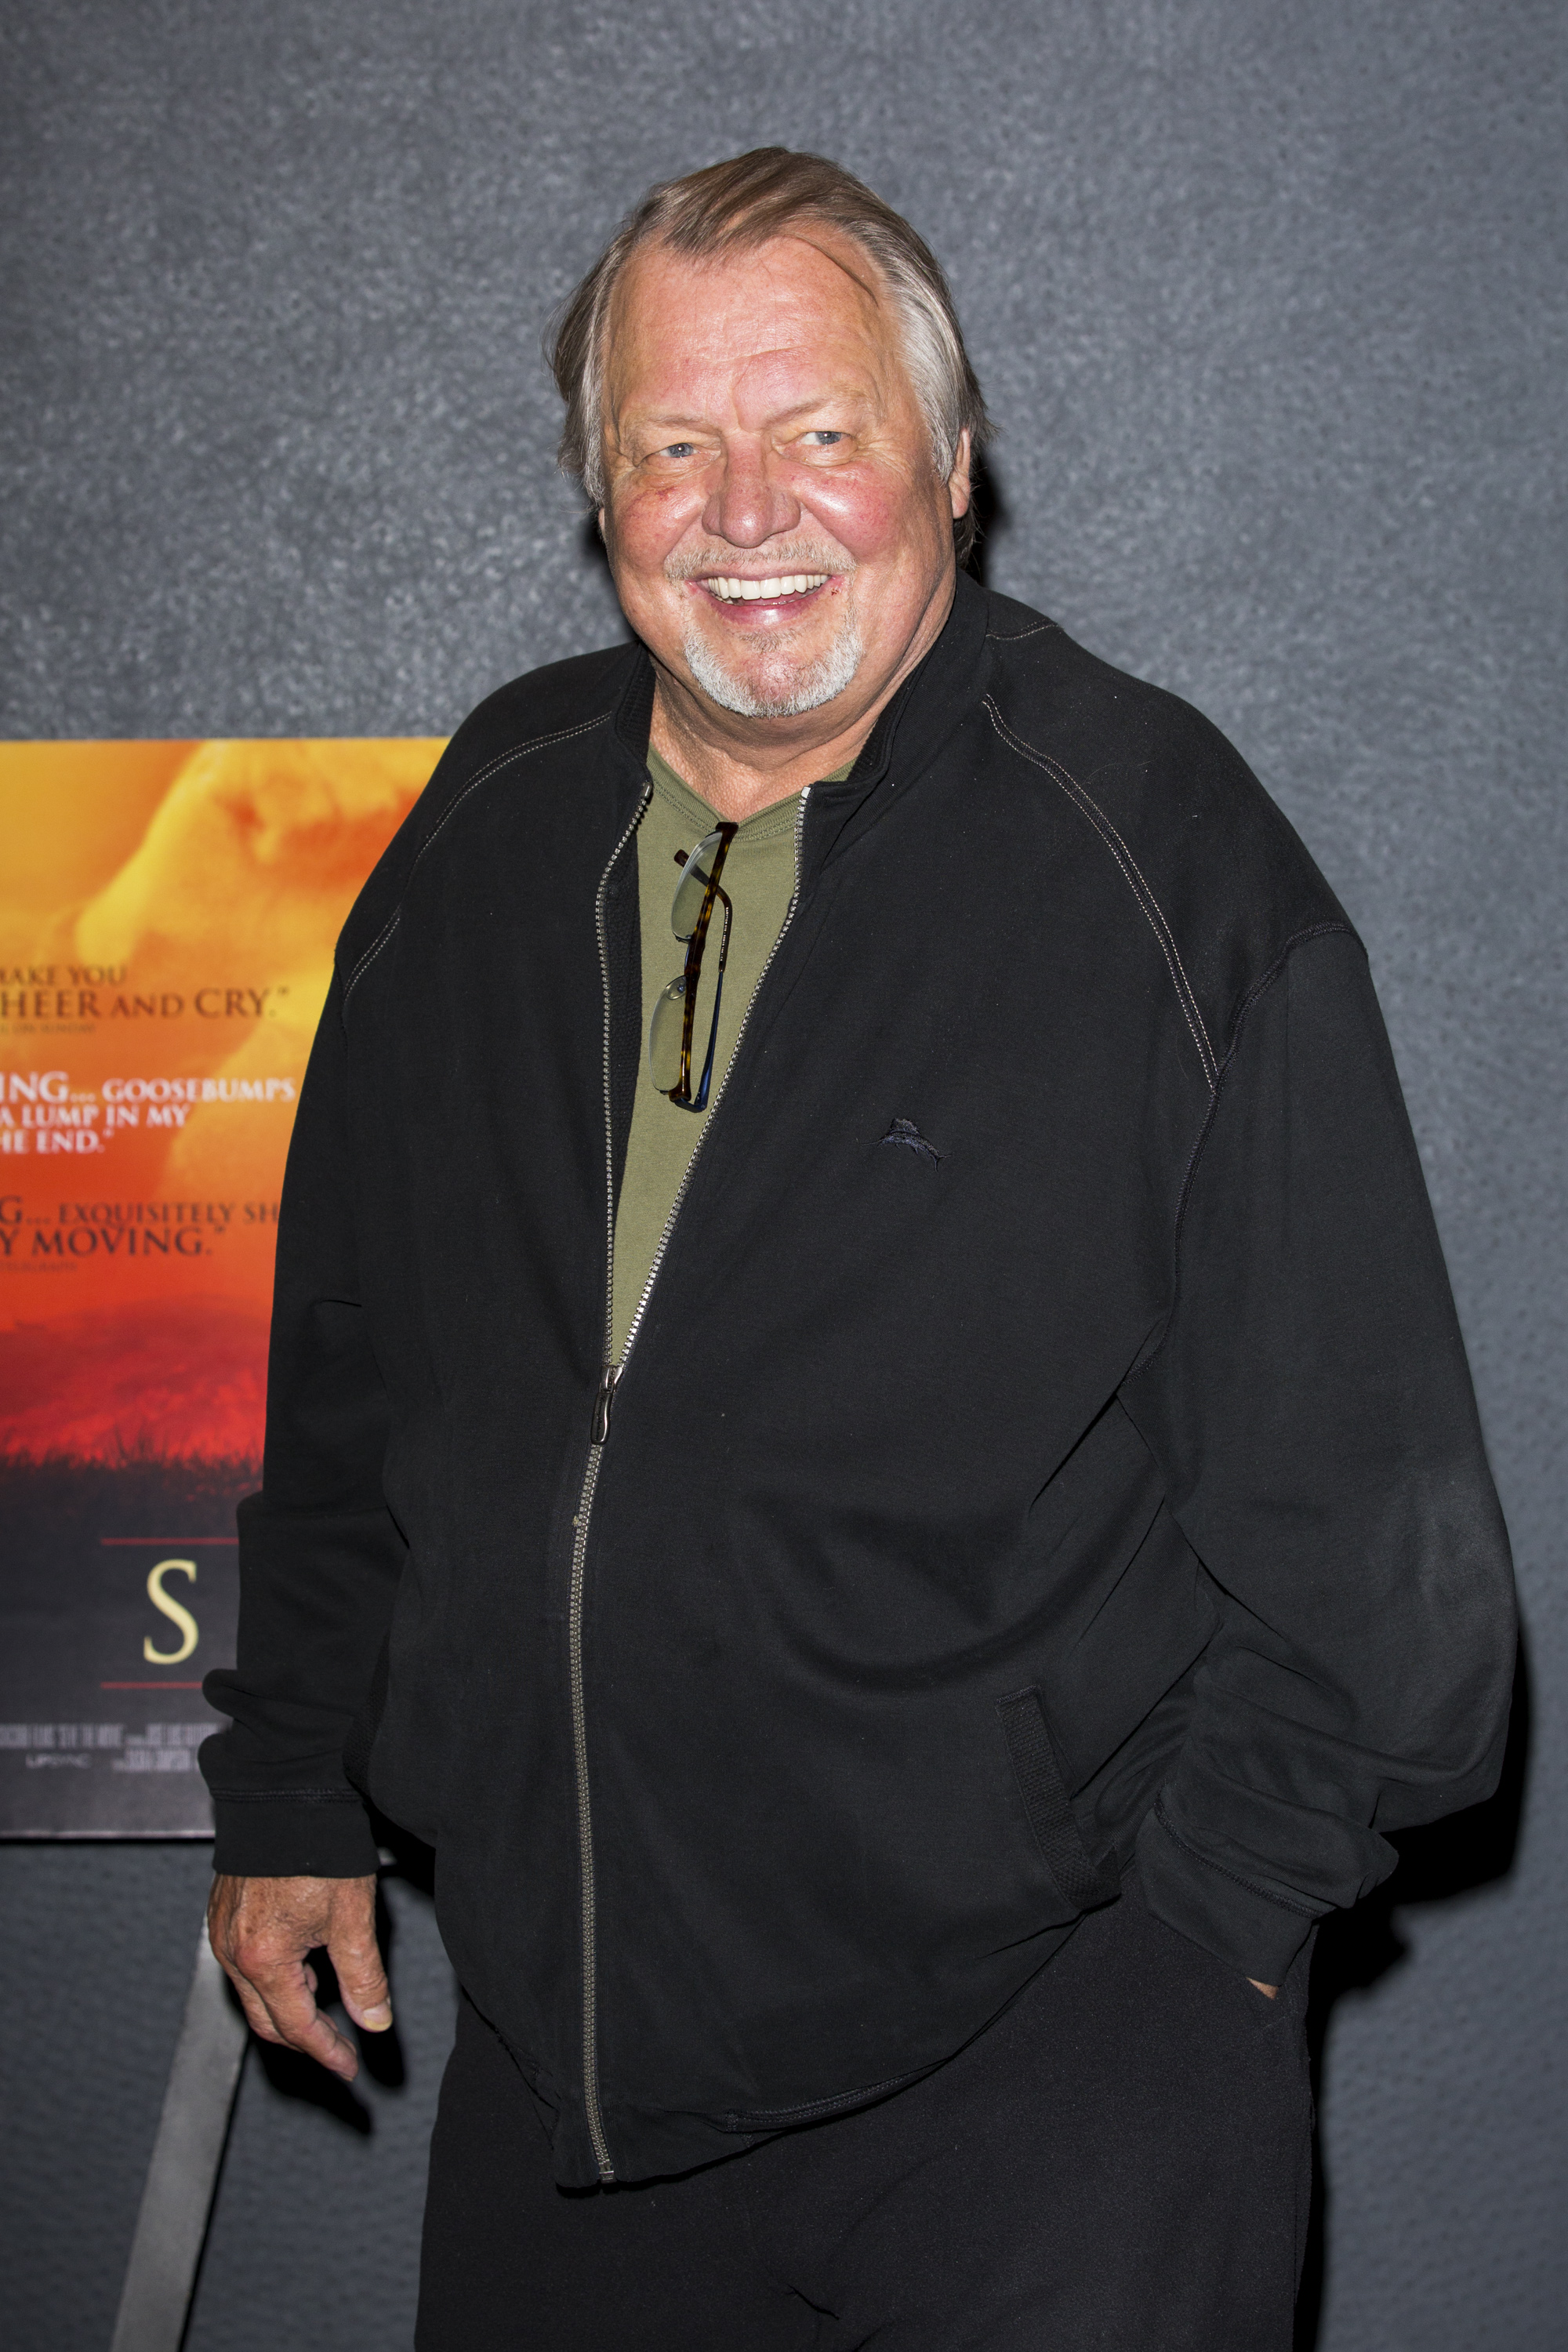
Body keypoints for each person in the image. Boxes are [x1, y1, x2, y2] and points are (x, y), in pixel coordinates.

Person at [201, 148, 1516, 2350]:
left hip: (1048, 2072)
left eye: (822, 434)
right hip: (569, 2079)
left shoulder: (1156, 858)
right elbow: (349, 1379)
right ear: (595, 489)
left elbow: (1391, 1575)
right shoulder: (488, 836)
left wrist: (1200, 1972)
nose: (749, 509)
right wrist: (295, 1774)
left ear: (954, 466)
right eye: (674, 445)